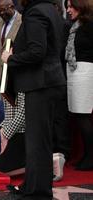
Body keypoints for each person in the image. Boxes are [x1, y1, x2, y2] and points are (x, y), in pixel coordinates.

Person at [1, 0, 66, 199]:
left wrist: (10, 58)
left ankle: (37, 191)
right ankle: (32, 185)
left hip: (40, 84)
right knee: (41, 140)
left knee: (37, 141)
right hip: (50, 82)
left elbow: (37, 51)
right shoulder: (51, 10)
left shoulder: (35, 13)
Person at [65, 0, 93, 171]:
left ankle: (90, 157)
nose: (68, 10)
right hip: (75, 71)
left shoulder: (89, 25)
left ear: (80, 6)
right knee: (77, 115)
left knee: (83, 115)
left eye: (71, 6)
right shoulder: (76, 25)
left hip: (85, 72)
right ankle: (86, 155)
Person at [52, 0, 73, 182]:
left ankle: (63, 150)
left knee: (60, 117)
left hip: (60, 77)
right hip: (53, 77)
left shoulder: (65, 26)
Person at [0, 0, 22, 85]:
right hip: (2, 74)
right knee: (3, 98)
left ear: (12, 7)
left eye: (4, 10)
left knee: (18, 98)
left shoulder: (23, 21)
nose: (2, 13)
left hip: (17, 73)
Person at [0, 92, 26, 176]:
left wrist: (6, 134)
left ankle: (44, 163)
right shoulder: (7, 82)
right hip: (12, 130)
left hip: (25, 131)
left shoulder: (23, 83)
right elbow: (8, 113)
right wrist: (2, 129)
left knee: (2, 170)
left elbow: (23, 114)